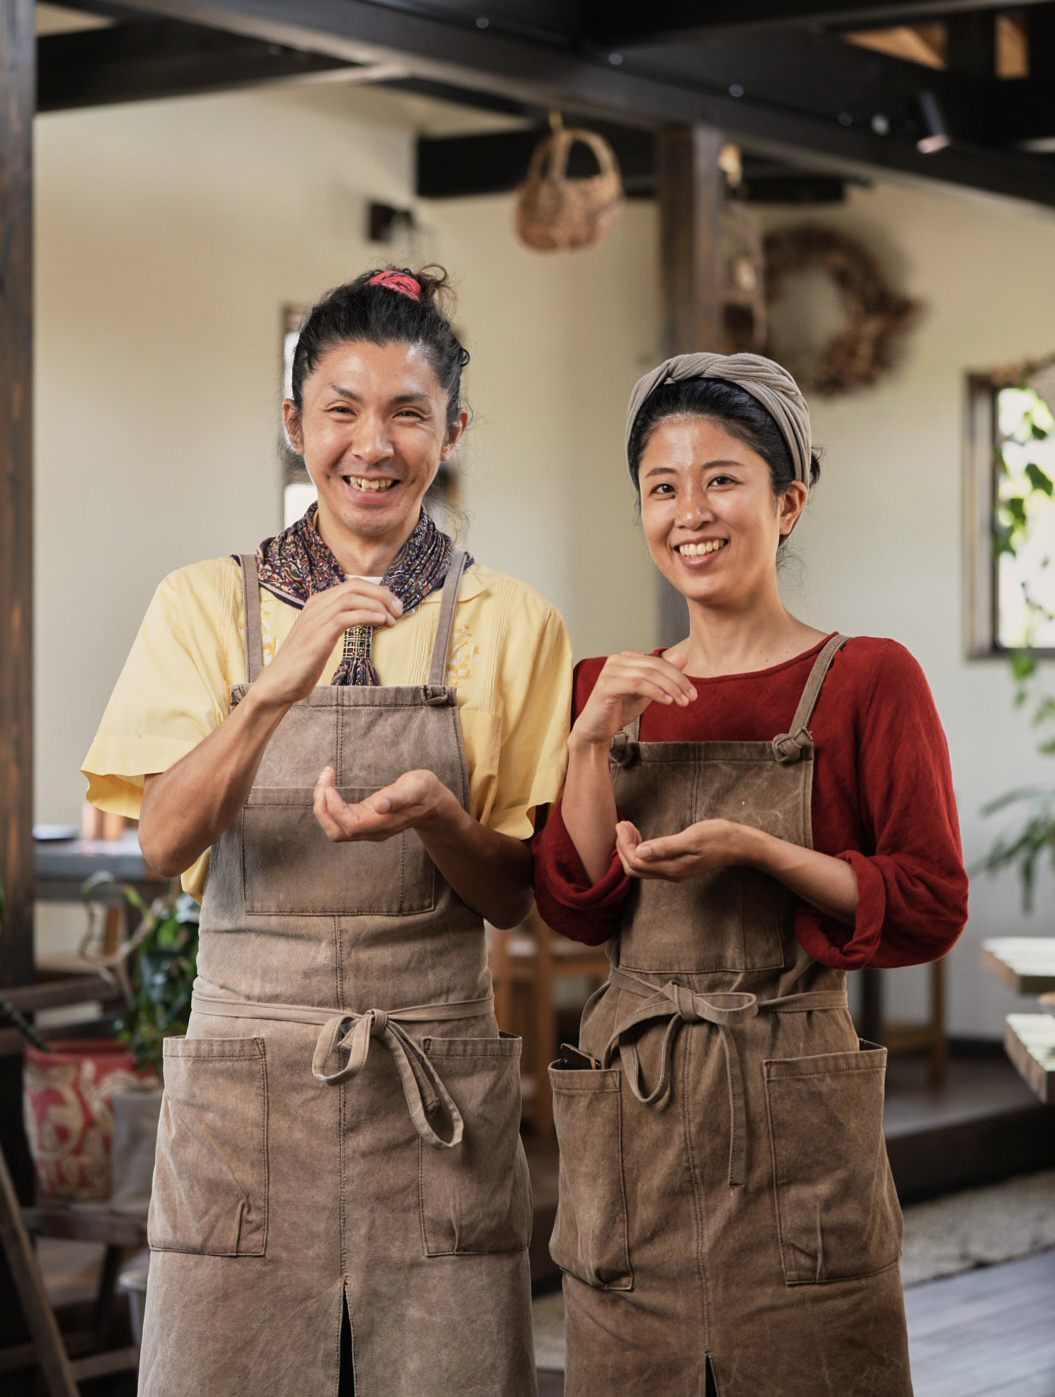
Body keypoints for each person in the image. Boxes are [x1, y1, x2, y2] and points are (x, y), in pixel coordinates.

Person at [83, 267, 571, 1397]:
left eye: (407, 411)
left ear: (450, 429)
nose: (372, 442)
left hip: (429, 1083)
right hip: (247, 1096)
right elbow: (162, 840)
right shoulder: (203, 603)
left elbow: (511, 893)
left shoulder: (512, 623)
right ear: (292, 419)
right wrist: (272, 687)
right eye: (341, 407)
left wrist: (441, 814)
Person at [532, 352, 968, 1397]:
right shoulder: (604, 685)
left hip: (792, 1108)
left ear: (787, 501)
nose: (691, 511)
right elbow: (571, 901)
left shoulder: (867, 676)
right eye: (661, 486)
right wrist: (590, 742)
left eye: (721, 478)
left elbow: (928, 898)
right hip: (634, 1122)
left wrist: (762, 850)